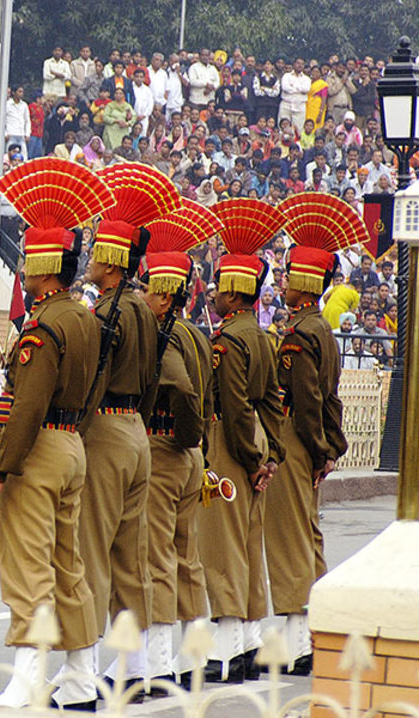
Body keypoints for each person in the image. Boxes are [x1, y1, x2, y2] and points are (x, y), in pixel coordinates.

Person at [0, 169, 103, 709]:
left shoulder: (43, 327)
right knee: (66, 563)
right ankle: (80, 675)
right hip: (72, 443)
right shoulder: (84, 319)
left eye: (29, 262)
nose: (23, 271)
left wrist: (0, 471)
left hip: (38, 451)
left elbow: (25, 408)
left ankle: (28, 676)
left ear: (44, 267)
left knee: (29, 563)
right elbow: (97, 387)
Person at [199, 199, 287, 683]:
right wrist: (272, 453)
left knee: (222, 547)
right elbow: (272, 402)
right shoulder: (262, 336)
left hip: (231, 447)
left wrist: (251, 459)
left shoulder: (227, 341)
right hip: (254, 443)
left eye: (219, 286)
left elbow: (232, 408)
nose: (212, 293)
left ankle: (227, 651)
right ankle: (251, 643)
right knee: (249, 545)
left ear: (235, 292)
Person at [265, 196, 351, 676]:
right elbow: (330, 399)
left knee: (288, 539)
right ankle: (308, 633)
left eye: (289, 275)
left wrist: (316, 449)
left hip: (296, 440)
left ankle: (299, 643)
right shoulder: (321, 328)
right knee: (306, 536)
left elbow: (309, 400)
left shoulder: (299, 333)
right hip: (312, 442)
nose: (282, 282)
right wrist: (331, 448)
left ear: (304, 283)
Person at [79, 210, 158, 687]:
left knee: (91, 550)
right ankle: (136, 663)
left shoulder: (108, 311)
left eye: (95, 253)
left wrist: (77, 430)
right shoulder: (144, 309)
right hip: (135, 429)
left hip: (106, 430)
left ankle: (82, 668)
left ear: (111, 260)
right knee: (131, 555)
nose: (88, 260)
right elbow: (151, 379)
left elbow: (94, 380)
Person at [138, 231, 216, 689]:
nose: (145, 295)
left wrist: (187, 437)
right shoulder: (197, 334)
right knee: (188, 556)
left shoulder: (166, 336)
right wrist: (197, 444)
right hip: (188, 455)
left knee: (158, 557)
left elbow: (185, 390)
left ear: (165, 296)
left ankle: (161, 660)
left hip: (168, 449)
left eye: (149, 288)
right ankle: (196, 653)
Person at [279, 59, 311, 130]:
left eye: (302, 64)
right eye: (298, 63)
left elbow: (306, 89)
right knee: (283, 128)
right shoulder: (286, 76)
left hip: (300, 107)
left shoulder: (307, 79)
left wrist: (293, 86)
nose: (300, 65)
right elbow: (285, 88)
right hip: (286, 105)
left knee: (298, 129)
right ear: (294, 64)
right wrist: (300, 89)